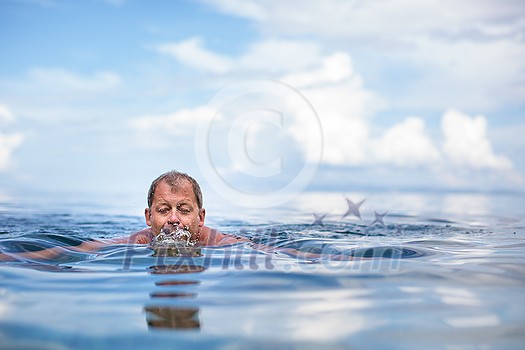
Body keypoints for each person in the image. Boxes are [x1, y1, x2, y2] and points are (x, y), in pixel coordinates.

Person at [0, 170, 249, 261]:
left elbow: (275, 253)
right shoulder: (139, 241)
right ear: (148, 217)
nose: (174, 219)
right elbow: (83, 250)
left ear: (201, 217)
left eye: (184, 210)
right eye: (163, 210)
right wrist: (9, 258)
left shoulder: (219, 243)